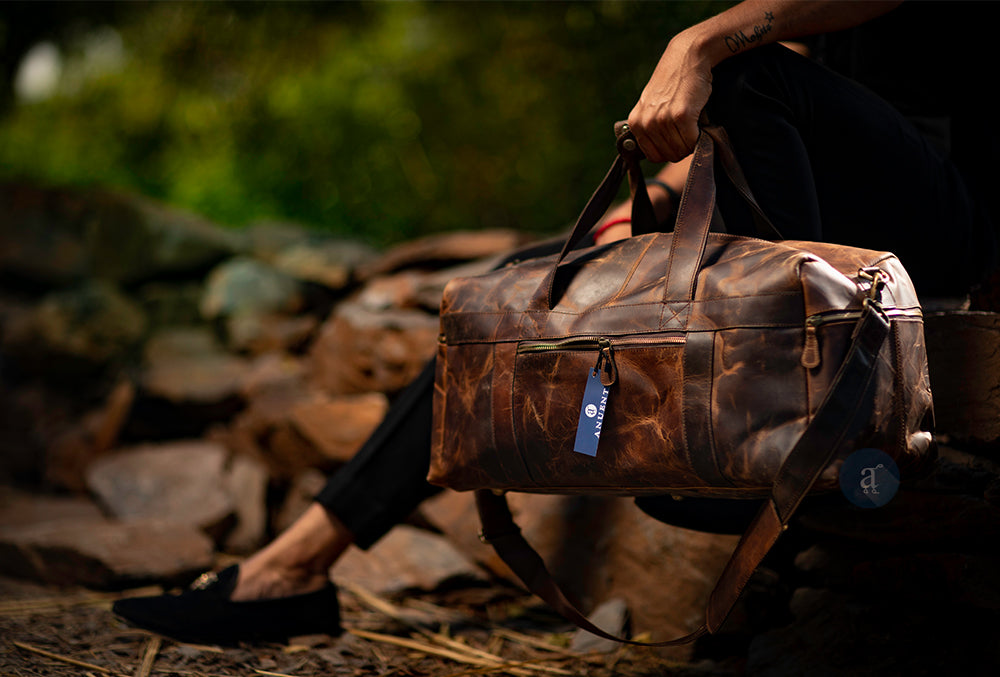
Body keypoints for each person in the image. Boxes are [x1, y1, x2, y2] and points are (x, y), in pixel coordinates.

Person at [113, 0, 998, 646]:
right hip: (828, 227)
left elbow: (771, 77)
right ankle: (295, 566)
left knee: (741, 66)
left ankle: (783, 421)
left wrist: (698, 42)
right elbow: (792, 127)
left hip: (952, 222)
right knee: (531, 287)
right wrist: (653, 205)